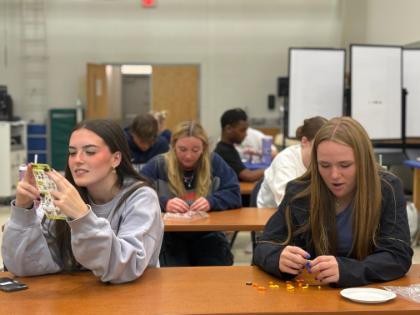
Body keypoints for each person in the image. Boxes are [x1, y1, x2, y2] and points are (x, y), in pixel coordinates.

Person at [253, 117, 413, 287]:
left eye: (345, 165)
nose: (334, 175)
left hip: (370, 296)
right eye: (325, 165)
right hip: (312, 298)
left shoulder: (387, 188)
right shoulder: (299, 192)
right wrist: (277, 257)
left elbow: (398, 255)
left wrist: (348, 270)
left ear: (363, 162)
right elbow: (263, 246)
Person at [2, 119, 164, 284]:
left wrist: (82, 217)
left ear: (115, 159)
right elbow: (25, 266)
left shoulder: (141, 198)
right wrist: (24, 210)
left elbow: (126, 268)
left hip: (134, 301)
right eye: (72, 152)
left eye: (90, 152)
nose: (77, 159)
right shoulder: (64, 195)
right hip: (77, 300)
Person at [141, 121, 241, 266]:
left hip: (207, 234)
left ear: (204, 148)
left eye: (195, 150)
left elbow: (234, 193)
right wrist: (164, 202)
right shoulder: (158, 164)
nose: (188, 156)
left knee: (215, 273)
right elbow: (137, 193)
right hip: (169, 236)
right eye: (182, 149)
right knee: (172, 275)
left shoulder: (214, 162)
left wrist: (212, 201)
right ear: (173, 145)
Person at [257, 116, 327, 208]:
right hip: (269, 215)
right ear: (304, 141)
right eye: (319, 145)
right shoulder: (284, 161)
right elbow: (289, 203)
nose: (325, 151)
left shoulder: (326, 161)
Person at [214, 108, 264, 182]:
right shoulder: (224, 152)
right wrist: (270, 169)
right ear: (228, 129)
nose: (246, 134)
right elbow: (249, 176)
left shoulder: (229, 148)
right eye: (242, 130)